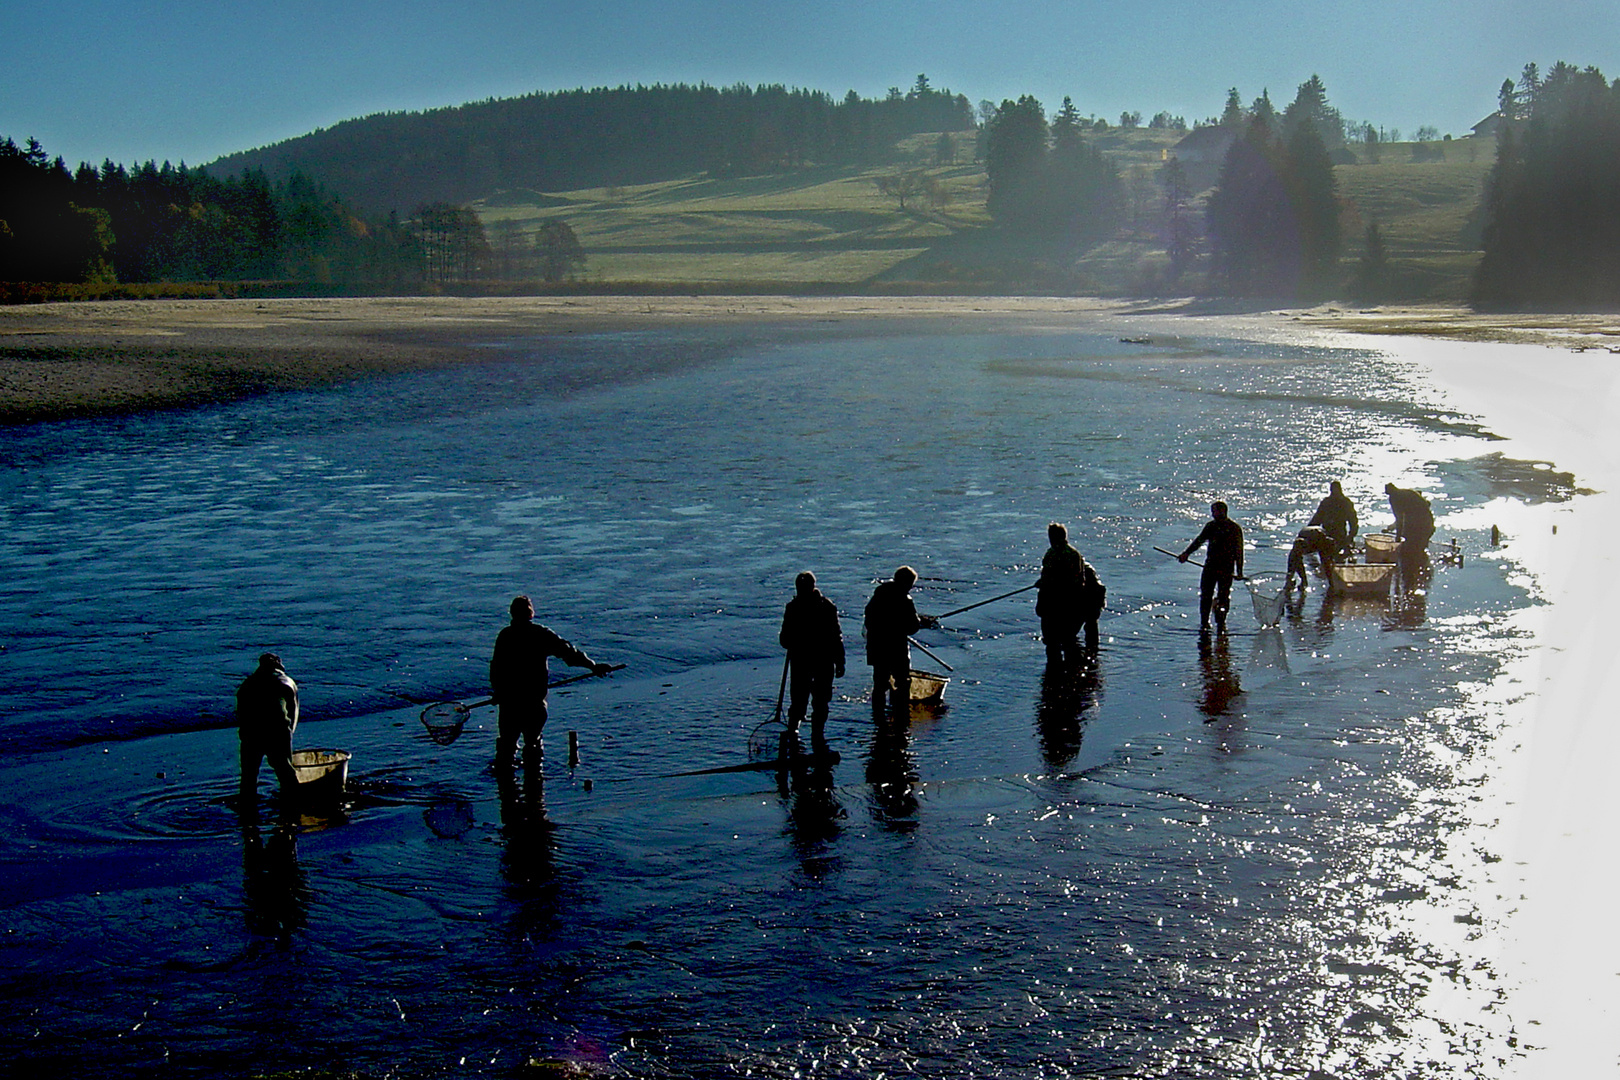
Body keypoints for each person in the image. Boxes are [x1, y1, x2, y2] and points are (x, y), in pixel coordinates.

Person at [489, 595, 612, 774]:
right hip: (533, 701)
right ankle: (534, 784)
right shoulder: (540, 634)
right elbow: (569, 653)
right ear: (531, 614)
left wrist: (498, 692)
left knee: (506, 747)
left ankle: (506, 786)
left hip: (510, 703)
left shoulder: (505, 636)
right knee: (533, 744)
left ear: (512, 614)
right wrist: (592, 665)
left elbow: (496, 669)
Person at [779, 571, 846, 745]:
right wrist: (840, 661)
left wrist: (840, 661)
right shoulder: (825, 606)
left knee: (808, 698)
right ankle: (810, 732)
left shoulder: (795, 607)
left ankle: (800, 731)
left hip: (809, 660)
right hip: (817, 659)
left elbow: (785, 640)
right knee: (813, 699)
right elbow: (836, 636)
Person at [863, 566, 937, 712]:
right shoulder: (905, 600)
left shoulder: (878, 595)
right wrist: (923, 623)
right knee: (902, 682)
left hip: (876, 646)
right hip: (896, 649)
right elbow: (912, 627)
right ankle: (899, 713)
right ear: (906, 583)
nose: (910, 588)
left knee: (880, 683)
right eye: (910, 585)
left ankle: (878, 714)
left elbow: (870, 621)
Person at [237, 652, 300, 806]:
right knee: (285, 771)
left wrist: (244, 734)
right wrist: (290, 731)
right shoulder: (287, 682)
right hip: (277, 730)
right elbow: (293, 711)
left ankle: (247, 806)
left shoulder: (247, 683)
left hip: (252, 732)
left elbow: (241, 711)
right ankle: (292, 804)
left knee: (249, 775)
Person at [1036, 522, 1106, 661]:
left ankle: (1060, 673)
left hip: (1065, 603)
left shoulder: (1061, 555)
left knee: (1060, 642)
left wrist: (1047, 585)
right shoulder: (1064, 554)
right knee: (1062, 642)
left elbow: (1075, 582)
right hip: (1063, 602)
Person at [1179, 501, 1245, 632]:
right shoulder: (1211, 526)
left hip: (1226, 569)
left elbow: (1239, 552)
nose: (1213, 514)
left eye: (1215, 511)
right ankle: (1205, 622)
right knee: (1206, 596)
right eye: (1212, 511)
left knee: (1223, 596)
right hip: (1210, 566)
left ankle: (1221, 622)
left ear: (1223, 512)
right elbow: (1199, 541)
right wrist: (1186, 554)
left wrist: (1239, 571)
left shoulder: (1234, 528)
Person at [1308, 481, 1359, 555]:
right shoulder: (1326, 502)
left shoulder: (1345, 503)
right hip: (1326, 536)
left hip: (1340, 536)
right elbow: (1316, 520)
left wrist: (1350, 537)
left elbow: (1353, 523)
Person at [1285, 524, 1338, 592]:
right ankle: (1292, 581)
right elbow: (1295, 563)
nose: (1302, 552)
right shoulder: (1297, 546)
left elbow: (1326, 563)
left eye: (1303, 551)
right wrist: (1302, 580)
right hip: (1307, 533)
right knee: (1294, 559)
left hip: (1320, 537)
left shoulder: (1321, 542)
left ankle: (1332, 584)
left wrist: (1331, 583)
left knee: (1326, 561)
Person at [1385, 483, 1435, 549]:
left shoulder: (1394, 497)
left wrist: (1397, 538)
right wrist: (1392, 527)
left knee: (1410, 547)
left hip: (1421, 527)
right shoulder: (1407, 492)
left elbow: (1399, 519)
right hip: (1429, 525)